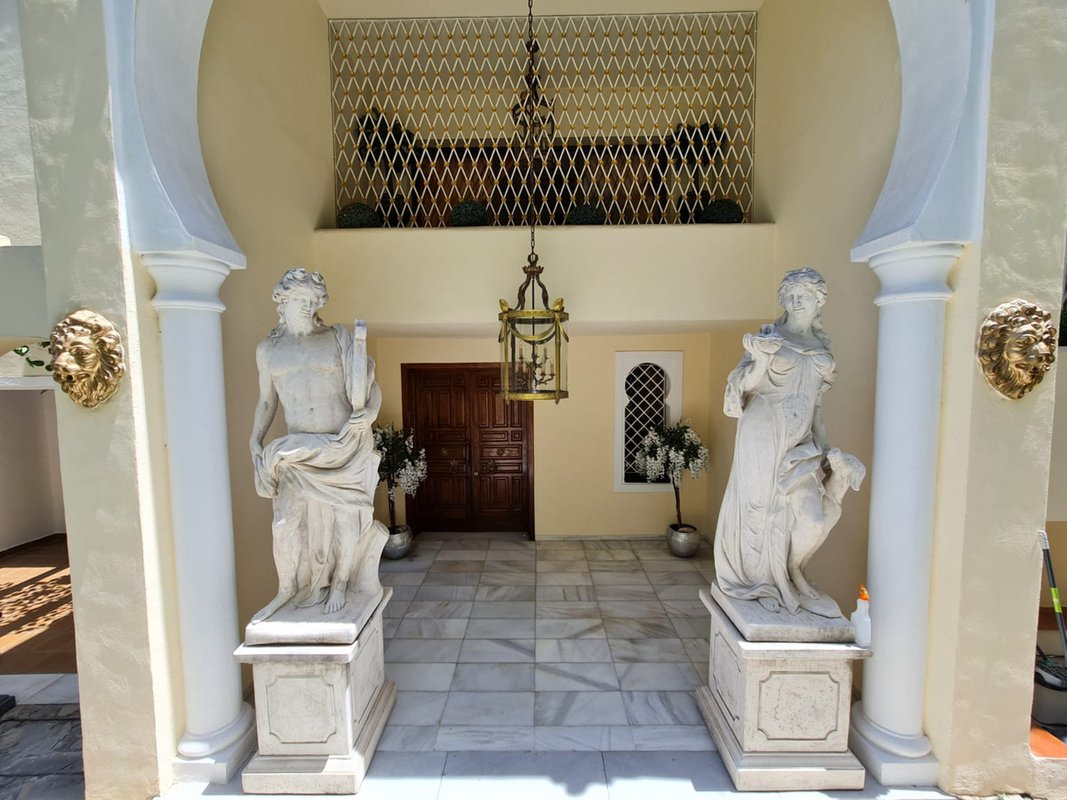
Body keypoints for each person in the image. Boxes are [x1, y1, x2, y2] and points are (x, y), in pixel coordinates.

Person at [713, 268, 865, 618]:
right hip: (763, 430)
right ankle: (760, 582)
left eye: (803, 296)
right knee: (759, 504)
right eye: (790, 296)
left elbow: (817, 406)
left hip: (801, 442)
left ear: (819, 301)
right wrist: (762, 358)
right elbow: (743, 387)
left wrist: (824, 449)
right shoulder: (769, 337)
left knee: (811, 518)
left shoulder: (822, 348)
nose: (795, 303)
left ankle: (793, 571)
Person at [249, 268, 386, 623]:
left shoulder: (336, 339)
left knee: (345, 517)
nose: (307, 306)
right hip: (297, 450)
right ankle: (287, 589)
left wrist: (368, 415)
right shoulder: (269, 351)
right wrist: (255, 438)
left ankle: (340, 582)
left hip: (343, 444)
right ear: (282, 301)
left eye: (313, 300)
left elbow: (369, 385)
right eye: (300, 299)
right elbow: (267, 400)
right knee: (284, 523)